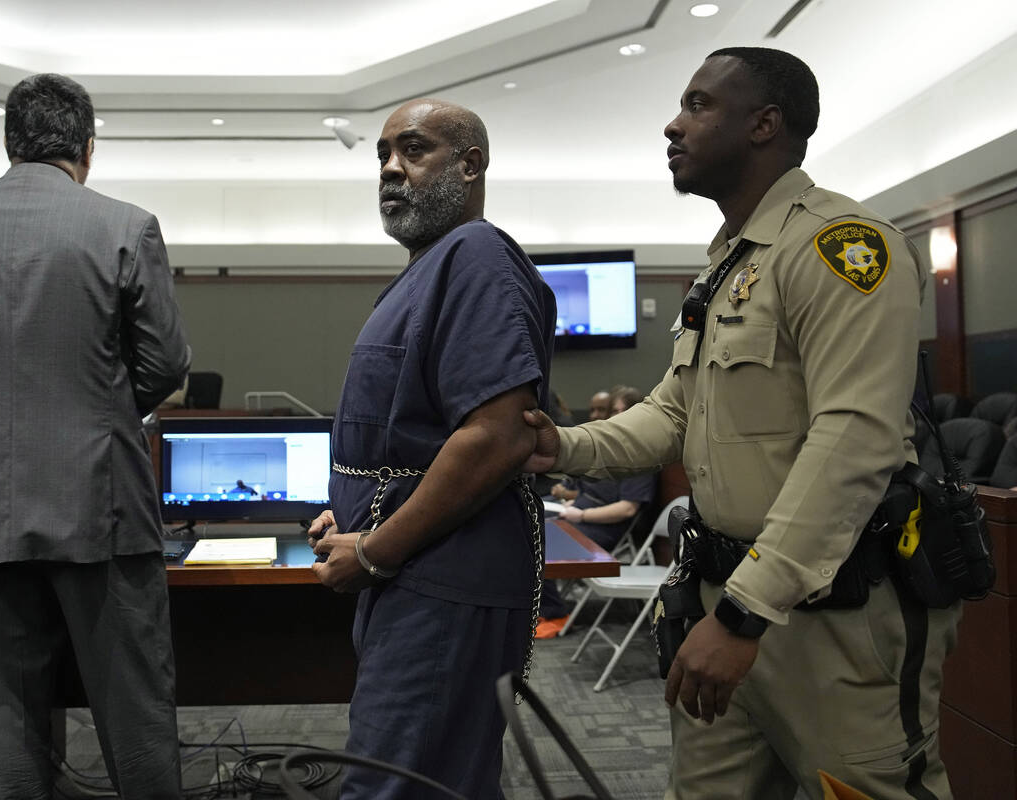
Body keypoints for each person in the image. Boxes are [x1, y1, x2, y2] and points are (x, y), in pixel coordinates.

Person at [522, 47, 957, 799]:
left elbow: (854, 440)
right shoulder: (727, 264)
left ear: (764, 124)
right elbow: (672, 412)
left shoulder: (843, 246)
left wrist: (748, 614)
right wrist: (558, 445)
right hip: (725, 597)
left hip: (827, 615)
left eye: (698, 105)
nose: (672, 125)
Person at [0, 73, 190, 799]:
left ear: (9, 144)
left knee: (6, 718)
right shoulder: (125, 225)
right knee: (134, 712)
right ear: (87, 147)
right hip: (99, 502)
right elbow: (166, 364)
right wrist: (101, 409)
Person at [307, 98, 555, 799]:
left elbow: (497, 435)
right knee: (441, 780)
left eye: (413, 151)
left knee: (394, 787)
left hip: (444, 580)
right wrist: (355, 518)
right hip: (417, 577)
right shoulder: (431, 267)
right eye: (382, 155)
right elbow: (408, 437)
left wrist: (378, 546)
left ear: (470, 165)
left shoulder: (476, 255)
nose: (390, 169)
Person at [536, 385, 657, 637]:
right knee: (527, 526)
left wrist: (580, 514)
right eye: (613, 411)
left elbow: (626, 509)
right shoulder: (611, 448)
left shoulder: (642, 454)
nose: (616, 417)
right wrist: (573, 502)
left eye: (623, 411)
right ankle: (539, 606)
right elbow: (586, 488)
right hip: (578, 513)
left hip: (602, 527)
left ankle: (555, 612)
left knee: (537, 544)